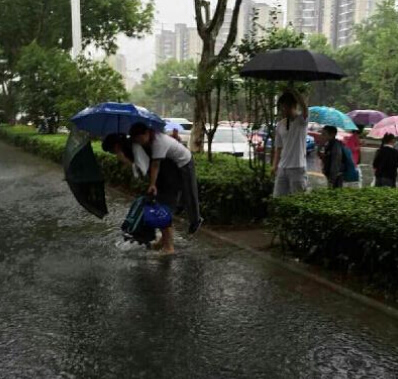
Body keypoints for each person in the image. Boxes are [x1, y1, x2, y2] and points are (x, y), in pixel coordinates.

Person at [130, 123, 203, 254]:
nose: (140, 142)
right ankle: (165, 240)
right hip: (171, 167)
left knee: (189, 193)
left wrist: (152, 184)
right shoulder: (152, 139)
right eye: (137, 140)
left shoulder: (158, 142)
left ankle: (195, 220)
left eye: (140, 139)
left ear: (147, 133)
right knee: (166, 202)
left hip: (185, 162)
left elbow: (155, 165)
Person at [272, 89, 309, 197]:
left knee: (298, 200)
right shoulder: (280, 125)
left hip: (297, 168)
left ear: (294, 105)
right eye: (282, 107)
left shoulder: (301, 121)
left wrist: (294, 91)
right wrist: (275, 166)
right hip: (282, 168)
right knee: (278, 198)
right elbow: (278, 148)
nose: (284, 110)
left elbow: (305, 108)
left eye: (286, 106)